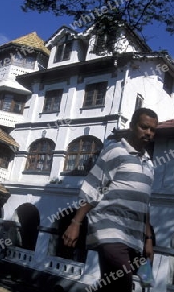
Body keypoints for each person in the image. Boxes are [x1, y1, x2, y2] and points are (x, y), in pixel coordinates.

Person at [63, 108, 158, 292]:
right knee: (123, 279)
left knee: (114, 283)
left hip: (135, 236)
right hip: (109, 227)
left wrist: (148, 239)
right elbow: (93, 188)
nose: (148, 133)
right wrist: (76, 222)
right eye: (144, 127)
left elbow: (145, 204)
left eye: (152, 130)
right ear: (131, 126)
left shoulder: (149, 164)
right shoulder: (115, 151)